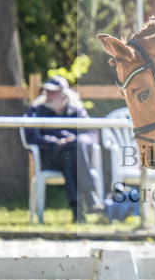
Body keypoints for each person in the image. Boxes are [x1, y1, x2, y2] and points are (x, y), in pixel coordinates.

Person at [22, 76, 103, 223]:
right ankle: (89, 196)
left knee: (71, 153)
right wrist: (57, 142)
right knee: (71, 151)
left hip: (72, 158)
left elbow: (91, 134)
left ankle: (77, 211)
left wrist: (75, 142)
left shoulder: (76, 110)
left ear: (64, 94)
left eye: (53, 92)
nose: (49, 95)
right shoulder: (37, 110)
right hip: (49, 157)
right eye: (47, 91)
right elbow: (32, 137)